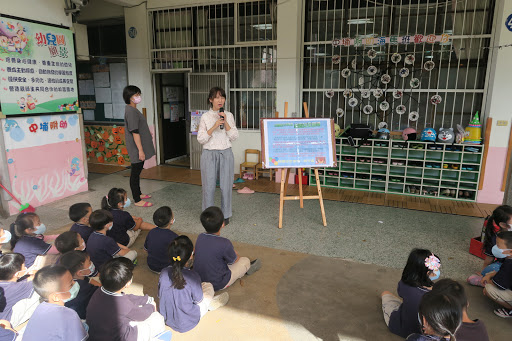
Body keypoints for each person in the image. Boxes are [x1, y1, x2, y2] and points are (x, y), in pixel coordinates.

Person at [159, 236, 229, 333]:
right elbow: (198, 300)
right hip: (189, 321)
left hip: (168, 319)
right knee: (209, 286)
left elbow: (161, 295)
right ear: (191, 255)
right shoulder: (193, 276)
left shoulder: (163, 273)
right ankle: (210, 304)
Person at [86, 258, 166, 341]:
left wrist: (144, 299)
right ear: (128, 283)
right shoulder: (123, 305)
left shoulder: (99, 291)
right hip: (120, 337)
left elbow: (126, 297)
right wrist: (152, 306)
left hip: (99, 334)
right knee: (158, 318)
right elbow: (143, 315)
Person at [197, 87, 239, 226]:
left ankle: (226, 215)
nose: (220, 100)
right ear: (211, 100)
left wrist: (225, 121)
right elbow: (201, 139)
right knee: (208, 186)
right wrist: (214, 125)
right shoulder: (205, 117)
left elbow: (234, 136)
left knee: (226, 186)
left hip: (226, 153)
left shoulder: (229, 115)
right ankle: (208, 214)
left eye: (222, 97)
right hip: (209, 154)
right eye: (217, 97)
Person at [193, 207, 261, 291]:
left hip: (198, 279)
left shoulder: (200, 237)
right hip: (218, 283)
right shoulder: (225, 243)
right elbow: (234, 260)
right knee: (245, 261)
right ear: (223, 224)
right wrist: (235, 254)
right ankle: (247, 268)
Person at [381, 249, 441, 338]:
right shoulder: (438, 293)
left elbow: (400, 293)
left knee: (385, 293)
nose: (437, 272)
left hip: (401, 327)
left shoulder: (404, 284)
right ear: (428, 273)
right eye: (436, 269)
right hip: (426, 333)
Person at [23, 265, 88, 341]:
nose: (75, 283)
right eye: (71, 284)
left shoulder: (40, 308)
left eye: (73, 280)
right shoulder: (68, 315)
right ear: (55, 297)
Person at [123, 85, 155, 208]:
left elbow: (139, 129)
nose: (138, 97)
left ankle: (139, 194)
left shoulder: (133, 110)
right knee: (135, 172)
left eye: (138, 94)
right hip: (136, 148)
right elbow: (134, 132)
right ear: (129, 97)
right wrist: (140, 151)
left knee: (138, 170)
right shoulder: (130, 111)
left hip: (138, 146)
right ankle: (137, 199)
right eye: (136, 95)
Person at [468, 205, 512, 286]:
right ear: (503, 225)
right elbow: (489, 259)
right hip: (503, 267)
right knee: (492, 269)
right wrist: (483, 272)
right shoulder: (495, 239)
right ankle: (485, 281)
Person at [0, 253, 40, 328]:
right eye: (24, 266)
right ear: (17, 274)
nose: (25, 268)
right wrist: (33, 273)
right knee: (37, 292)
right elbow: (37, 277)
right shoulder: (17, 288)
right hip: (5, 323)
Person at [60, 251, 99, 319]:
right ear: (80, 273)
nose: (91, 264)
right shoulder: (83, 287)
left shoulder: (73, 278)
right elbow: (100, 291)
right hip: (85, 315)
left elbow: (90, 281)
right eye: (89, 263)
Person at [481, 231, 512, 318]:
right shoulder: (509, 258)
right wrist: (490, 276)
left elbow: (499, 284)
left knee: (489, 289)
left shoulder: (509, 264)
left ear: (510, 252)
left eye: (498, 245)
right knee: (491, 273)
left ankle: (510, 310)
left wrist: (488, 281)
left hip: (506, 285)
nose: (495, 247)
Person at [144, 206, 179, 273]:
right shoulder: (174, 237)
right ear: (171, 221)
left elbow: (145, 250)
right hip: (166, 268)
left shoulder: (151, 232)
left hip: (151, 265)